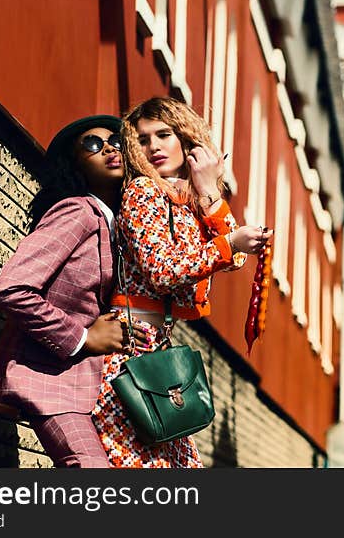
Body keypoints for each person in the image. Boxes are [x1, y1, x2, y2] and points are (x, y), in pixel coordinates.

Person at [92, 95, 271, 468]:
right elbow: (162, 270)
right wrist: (228, 243)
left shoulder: (185, 200)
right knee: (136, 464)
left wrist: (208, 189)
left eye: (163, 134)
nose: (154, 146)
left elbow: (235, 258)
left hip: (159, 345)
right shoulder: (142, 192)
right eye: (142, 139)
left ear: (186, 141)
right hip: (128, 345)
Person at [0, 115, 149, 468]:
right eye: (92, 144)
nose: (109, 148)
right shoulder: (77, 212)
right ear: (75, 162)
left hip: (94, 390)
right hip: (47, 382)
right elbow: (12, 288)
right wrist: (82, 338)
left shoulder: (118, 225)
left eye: (117, 141)